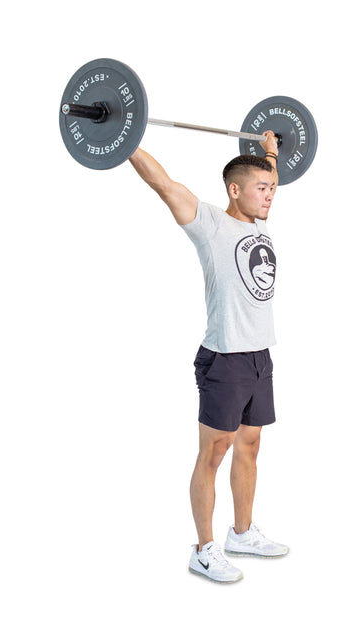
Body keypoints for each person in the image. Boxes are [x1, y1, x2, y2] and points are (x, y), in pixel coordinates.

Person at [129, 131, 288, 583]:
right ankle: (203, 549)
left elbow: (267, 174)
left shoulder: (258, 221)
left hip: (259, 356)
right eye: (262, 189)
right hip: (225, 360)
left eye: (272, 189)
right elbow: (165, 185)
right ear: (234, 190)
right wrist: (126, 142)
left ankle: (241, 533)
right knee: (213, 454)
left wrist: (270, 150)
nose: (270, 196)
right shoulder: (212, 224)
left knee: (251, 446)